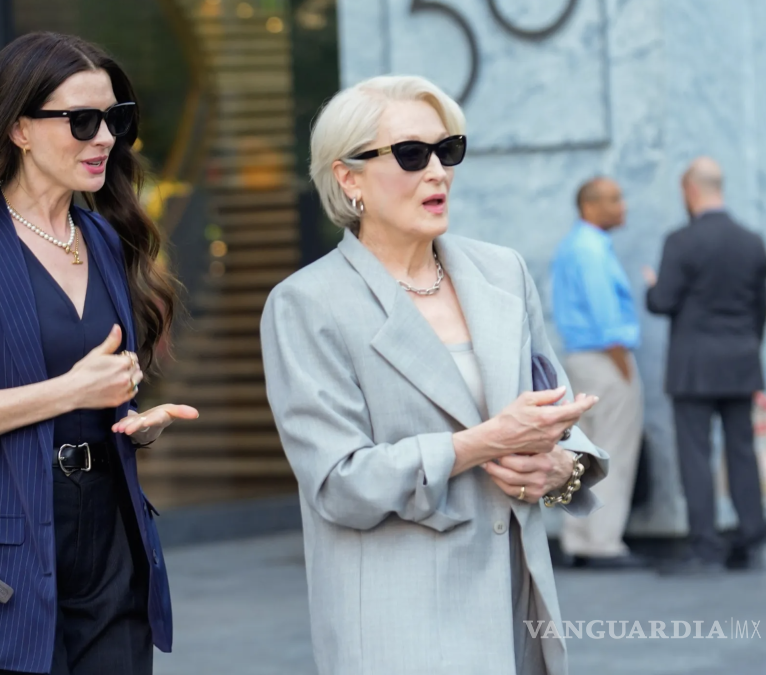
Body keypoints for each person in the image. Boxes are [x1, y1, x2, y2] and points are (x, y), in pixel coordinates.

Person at [260, 75, 609, 675]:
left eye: (447, 150)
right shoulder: (307, 304)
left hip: (519, 606)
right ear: (348, 178)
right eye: (411, 154)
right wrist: (481, 444)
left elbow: (549, 411)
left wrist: (560, 467)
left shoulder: (502, 272)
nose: (438, 172)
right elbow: (338, 484)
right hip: (400, 625)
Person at [0, 32, 198, 675]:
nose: (104, 137)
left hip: (110, 545)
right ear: (19, 128)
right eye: (81, 120)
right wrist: (73, 391)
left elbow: (93, 388)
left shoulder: (102, 237)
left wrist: (131, 422)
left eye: (114, 118)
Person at [646, 157, 766, 575]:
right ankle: (751, 539)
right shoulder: (752, 241)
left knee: (696, 455)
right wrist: (748, 349)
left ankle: (706, 546)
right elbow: (761, 309)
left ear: (690, 190)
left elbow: (663, 301)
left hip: (693, 365)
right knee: (742, 451)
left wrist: (651, 288)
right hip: (740, 361)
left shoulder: (680, 242)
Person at [549, 177, 646, 569]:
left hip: (580, 359)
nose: (623, 206)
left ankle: (578, 539)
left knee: (583, 453)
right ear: (589, 206)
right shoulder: (591, 249)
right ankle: (603, 543)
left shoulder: (573, 245)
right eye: (613, 199)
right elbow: (607, 320)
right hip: (607, 359)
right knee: (613, 450)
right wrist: (623, 365)